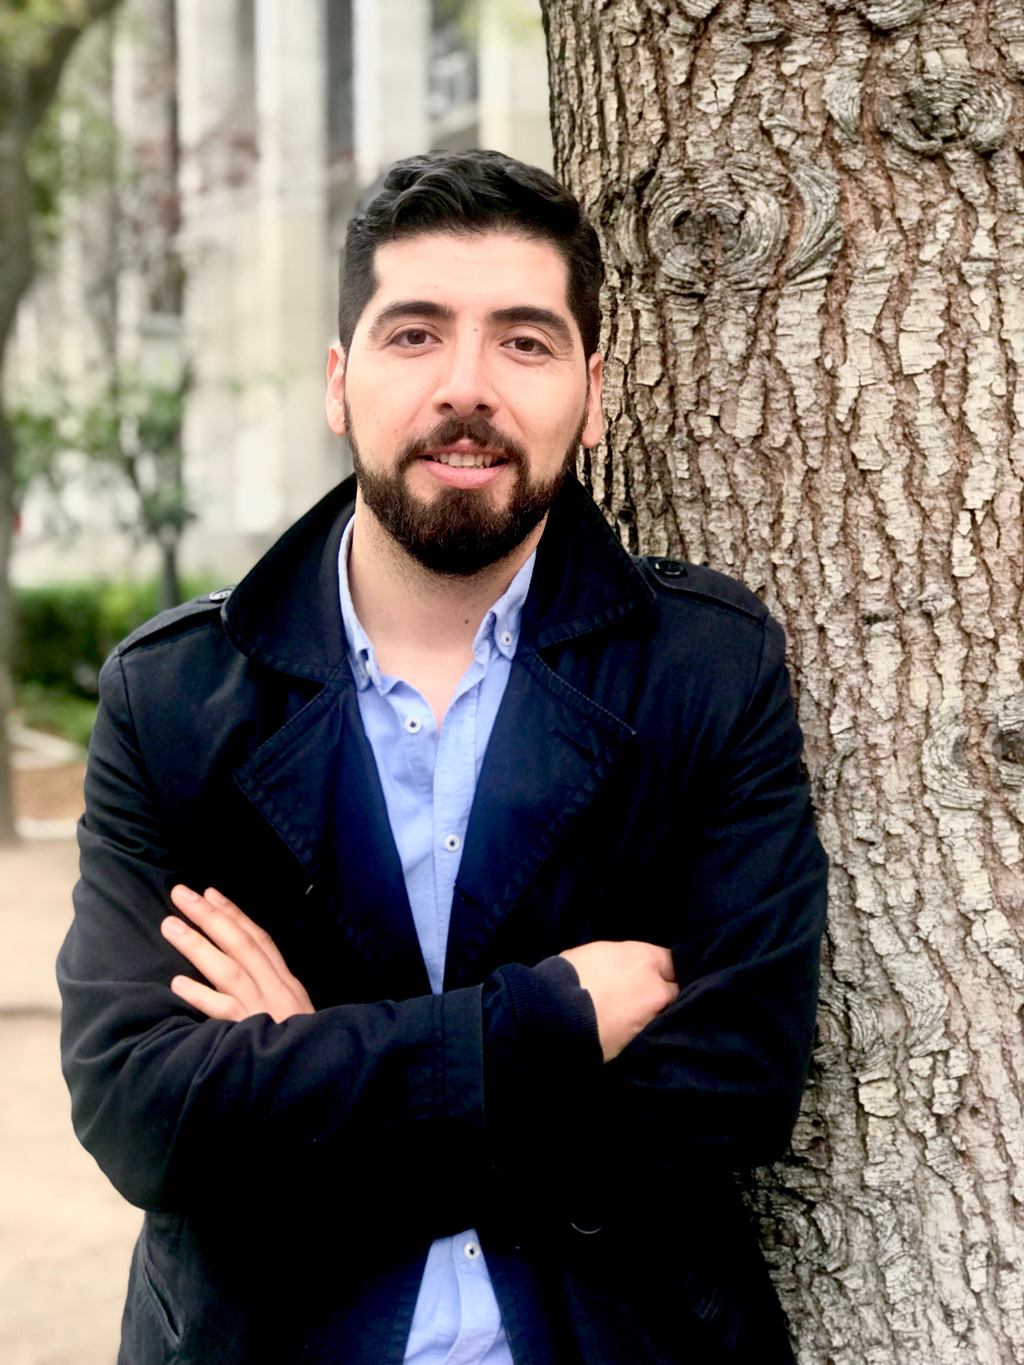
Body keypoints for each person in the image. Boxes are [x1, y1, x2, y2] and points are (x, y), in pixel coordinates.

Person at [58, 150, 828, 1365]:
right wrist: (546, 1025)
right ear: (340, 381)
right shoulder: (175, 698)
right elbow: (142, 1115)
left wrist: (305, 1071)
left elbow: (732, 1086)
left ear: (593, 393)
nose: (466, 387)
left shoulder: (704, 667)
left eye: (524, 342)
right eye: (414, 335)